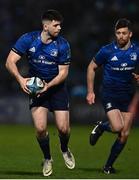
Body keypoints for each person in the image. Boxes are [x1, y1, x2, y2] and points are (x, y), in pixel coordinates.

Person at [6, 9, 75, 177]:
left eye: (60, 25)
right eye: (56, 25)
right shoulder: (28, 39)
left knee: (64, 129)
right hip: (37, 89)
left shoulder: (63, 44)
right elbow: (9, 62)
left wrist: (48, 85)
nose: (59, 28)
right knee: (40, 128)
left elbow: (63, 73)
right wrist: (21, 80)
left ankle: (64, 149)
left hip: (57, 88)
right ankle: (47, 158)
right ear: (46, 26)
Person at [86, 18, 139, 174]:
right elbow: (91, 67)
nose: (120, 36)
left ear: (130, 34)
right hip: (109, 93)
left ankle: (107, 167)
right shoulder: (107, 50)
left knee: (124, 134)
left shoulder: (136, 50)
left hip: (128, 95)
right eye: (118, 33)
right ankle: (102, 126)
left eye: (124, 33)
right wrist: (90, 91)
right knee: (117, 127)